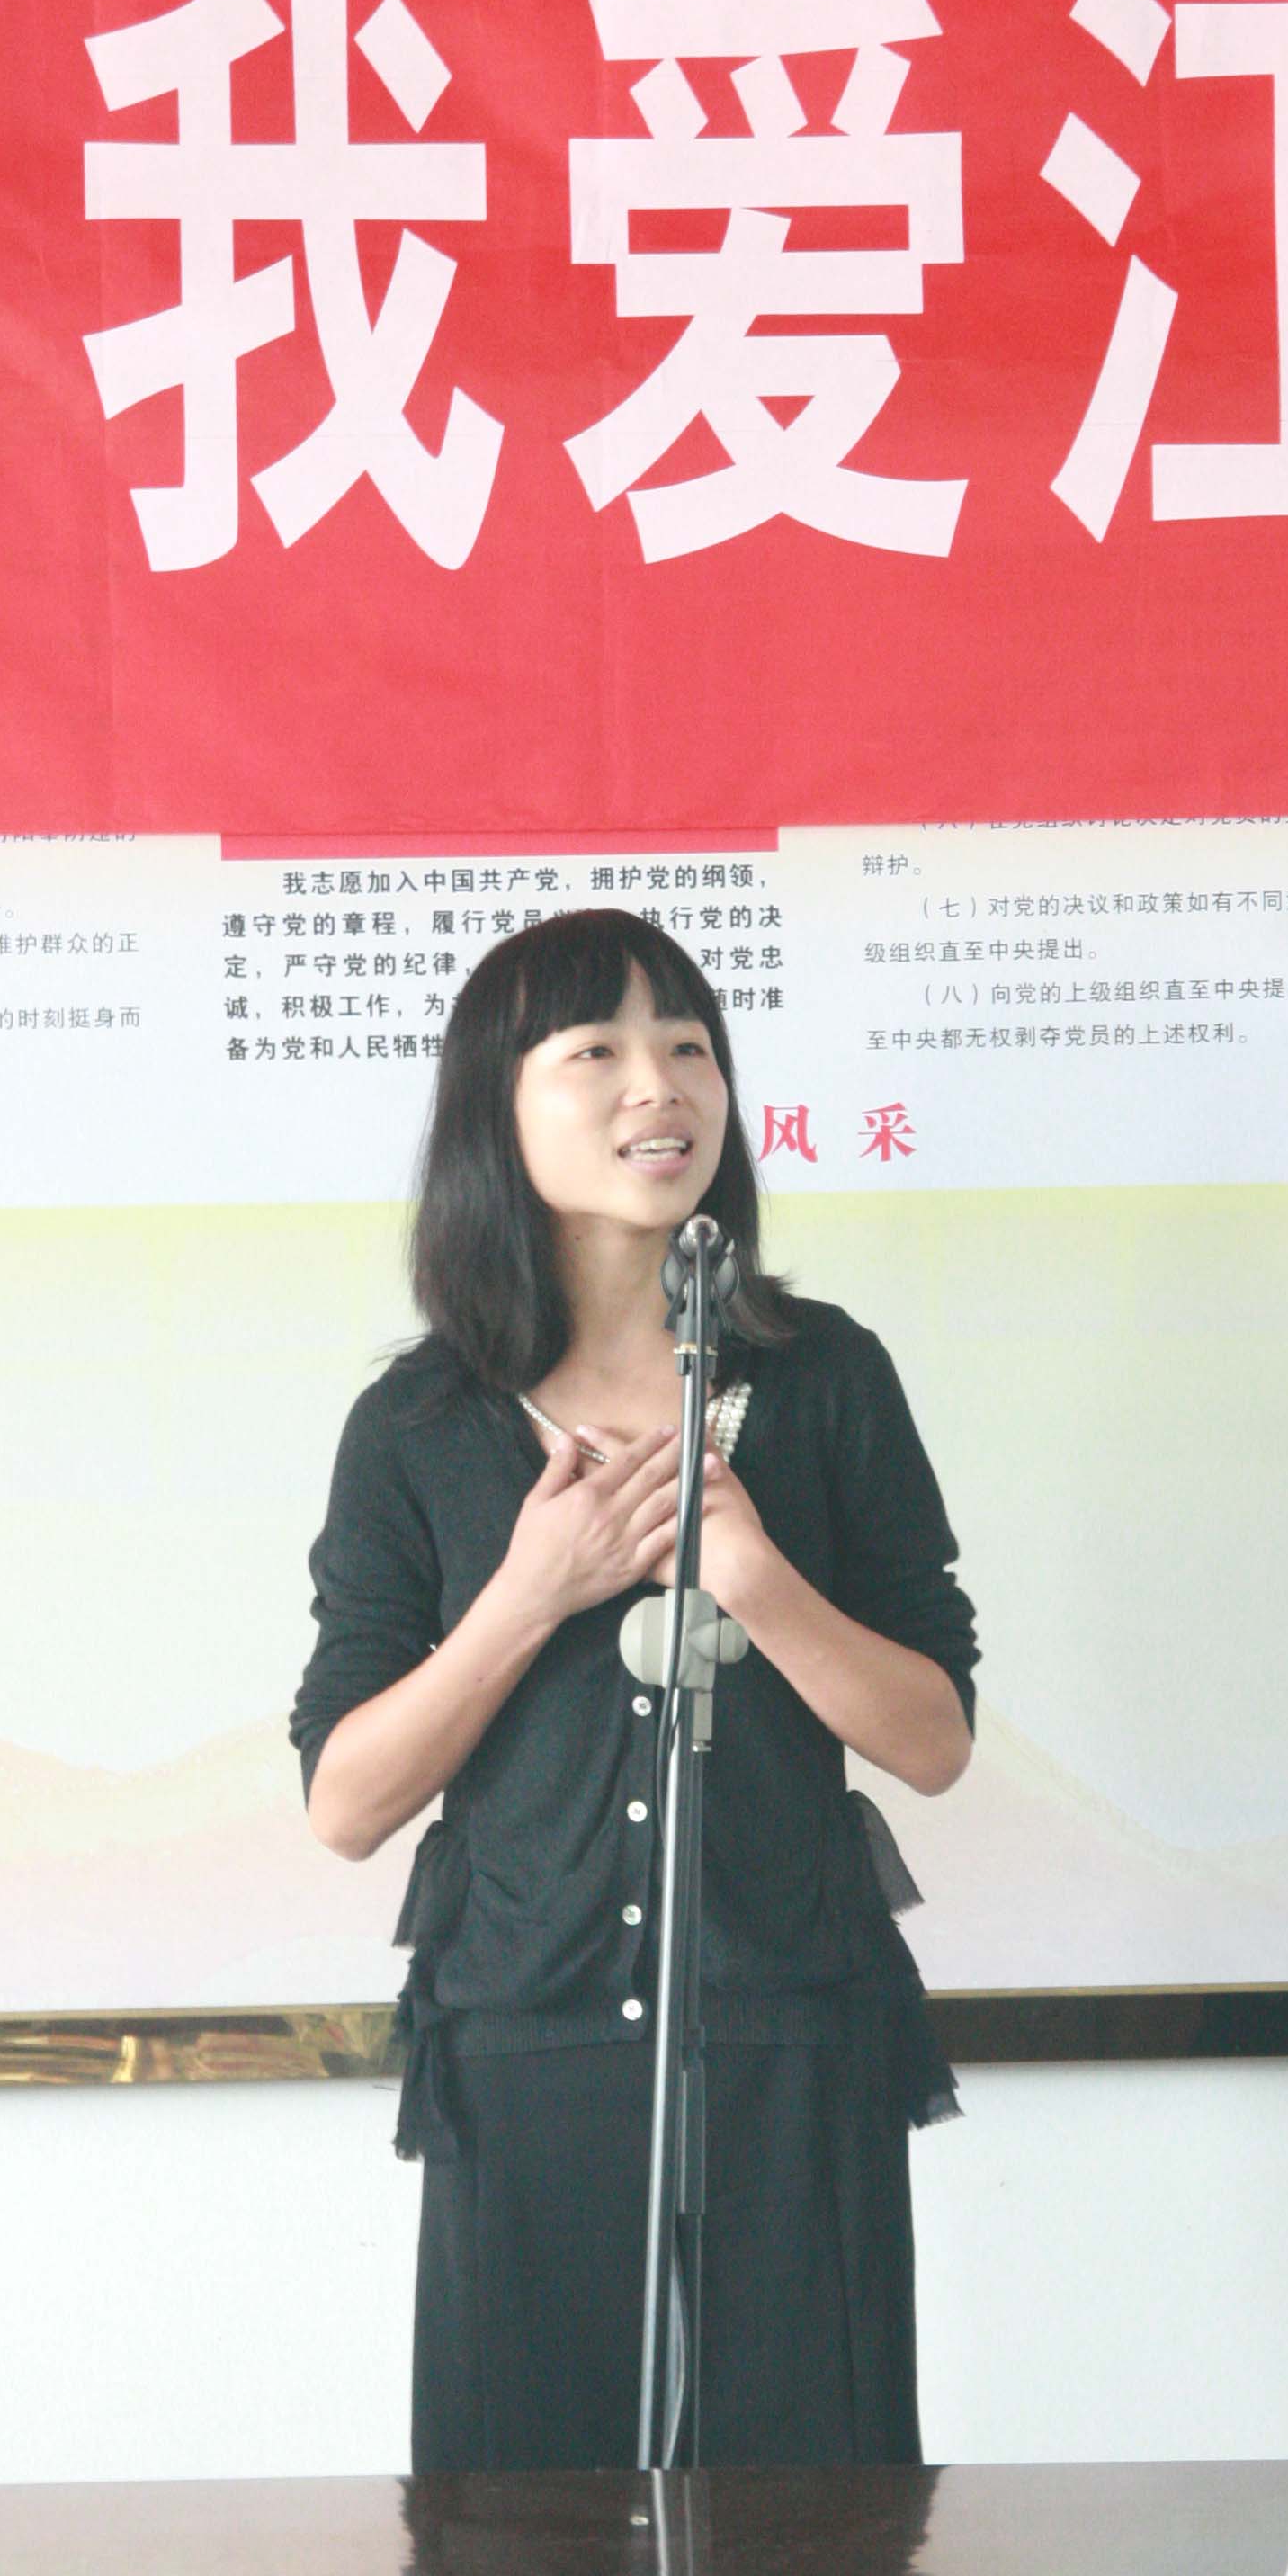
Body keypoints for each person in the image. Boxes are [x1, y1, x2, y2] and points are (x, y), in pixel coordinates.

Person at [290, 910, 978, 2474]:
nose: (658, 1084)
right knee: (518, 2552)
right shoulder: (418, 1424)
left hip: (790, 2038)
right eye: (594, 1049)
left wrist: (756, 1576)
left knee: (818, 2538)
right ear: (498, 1109)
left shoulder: (825, 1377)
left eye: (687, 1046)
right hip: (527, 2049)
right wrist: (535, 1588)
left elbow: (934, 1739)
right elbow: (347, 1801)